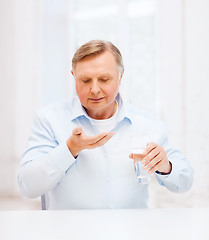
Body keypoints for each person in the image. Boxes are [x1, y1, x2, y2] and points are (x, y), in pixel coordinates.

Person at [18, 40, 193, 209]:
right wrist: (69, 149)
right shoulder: (49, 119)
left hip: (131, 233)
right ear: (74, 76)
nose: (94, 89)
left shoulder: (147, 124)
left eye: (104, 79)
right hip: (69, 233)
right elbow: (28, 187)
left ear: (120, 75)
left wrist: (166, 166)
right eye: (85, 80)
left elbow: (184, 181)